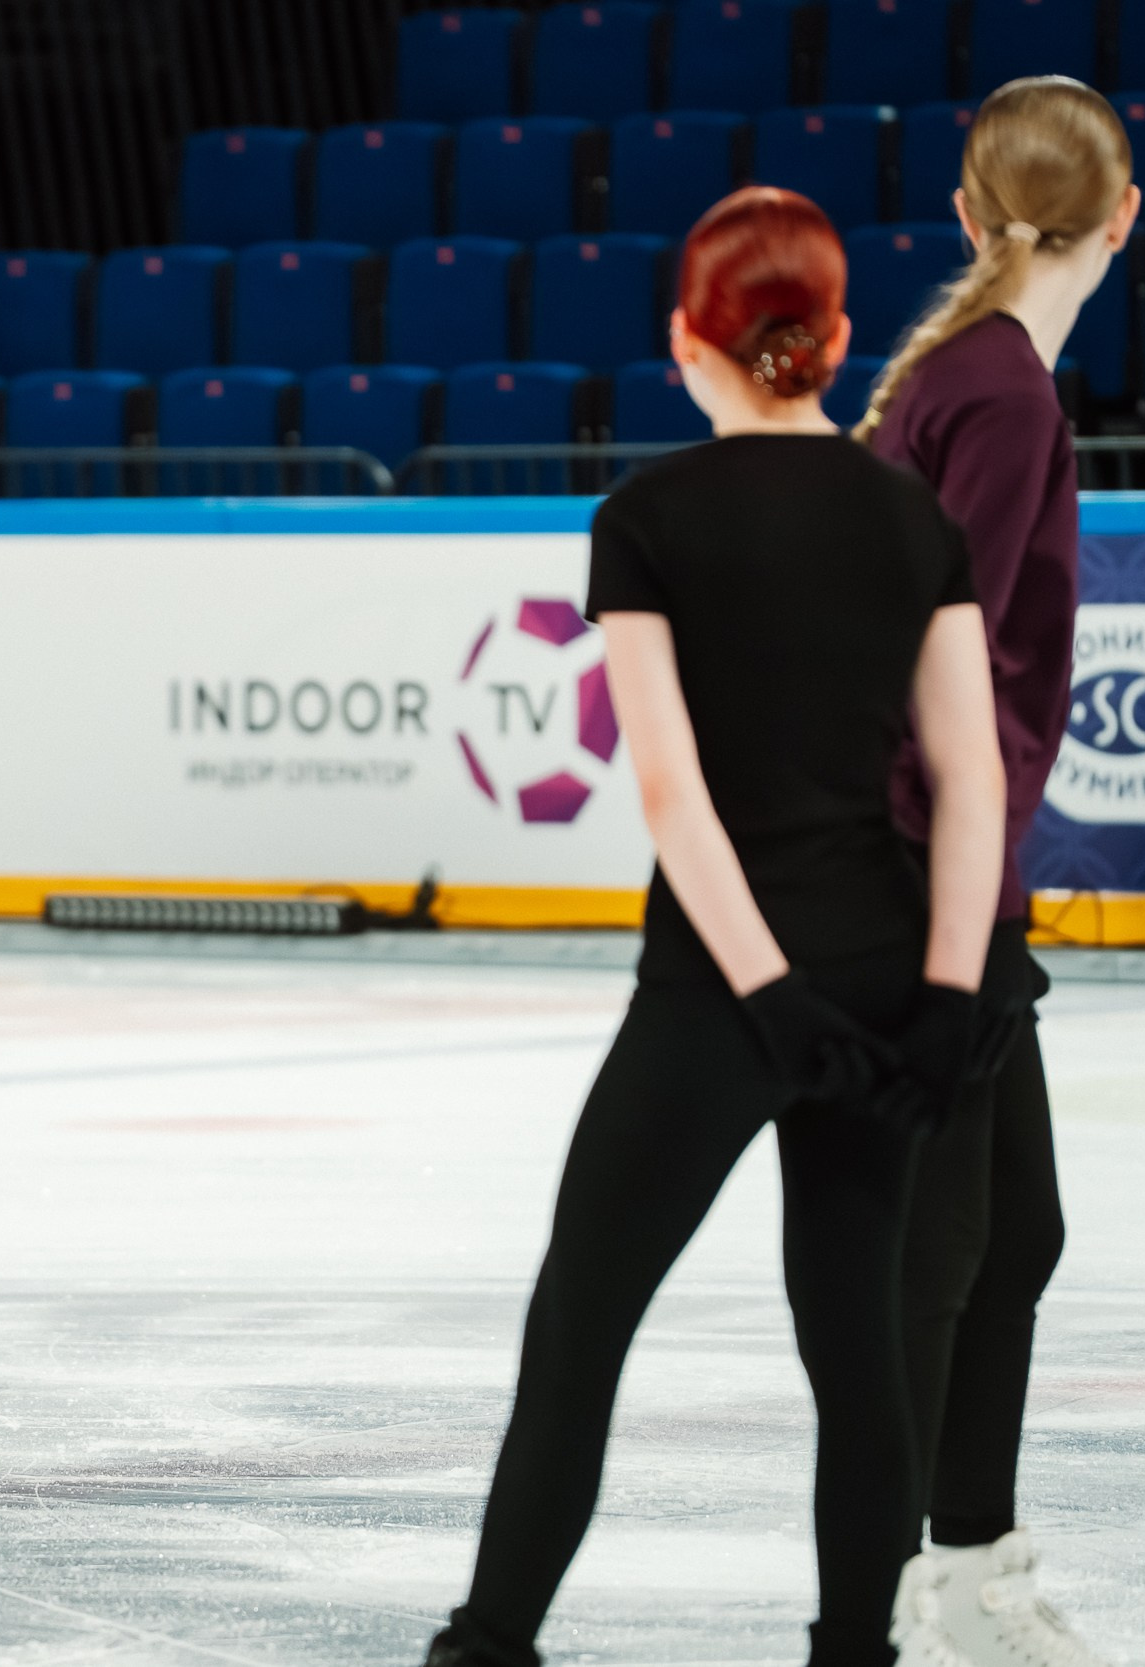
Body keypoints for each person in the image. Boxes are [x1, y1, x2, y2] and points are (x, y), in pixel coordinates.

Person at [424, 186, 1007, 1667]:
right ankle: (854, 1653)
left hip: (716, 989)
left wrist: (772, 997)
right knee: (857, 1348)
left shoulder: (651, 517)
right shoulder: (911, 515)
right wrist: (942, 999)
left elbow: (677, 799)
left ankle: (490, 1645)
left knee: (580, 1329)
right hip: (885, 971)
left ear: (687, 334)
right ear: (840, 336)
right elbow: (971, 778)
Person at [854, 77, 1140, 1667]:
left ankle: (964, 1557)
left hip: (942, 865)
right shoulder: (1003, 397)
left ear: (967, 214)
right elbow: (940, 667)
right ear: (1126, 220)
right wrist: (955, 924)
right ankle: (890, 1579)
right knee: (948, 1245)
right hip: (932, 875)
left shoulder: (970, 374)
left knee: (1006, 1233)